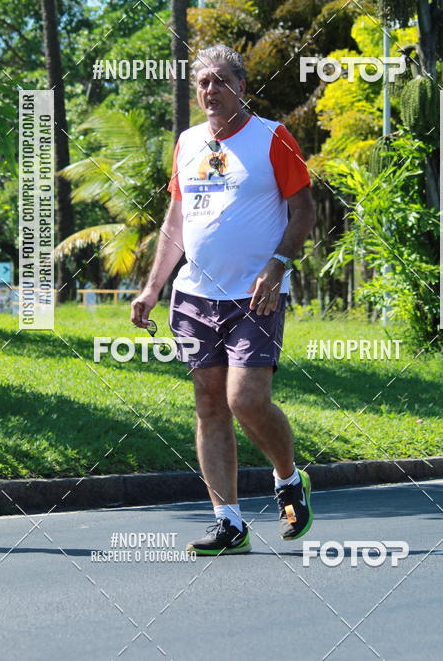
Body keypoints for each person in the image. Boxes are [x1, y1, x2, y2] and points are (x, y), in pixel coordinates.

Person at [131, 44, 316, 555]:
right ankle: (228, 523)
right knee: (210, 404)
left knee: (246, 399)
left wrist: (278, 266)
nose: (210, 90)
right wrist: (153, 286)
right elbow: (176, 223)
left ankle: (287, 479)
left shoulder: (272, 137)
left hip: (255, 296)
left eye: (220, 80)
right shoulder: (187, 142)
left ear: (242, 86)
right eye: (202, 82)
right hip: (194, 295)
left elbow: (304, 212)